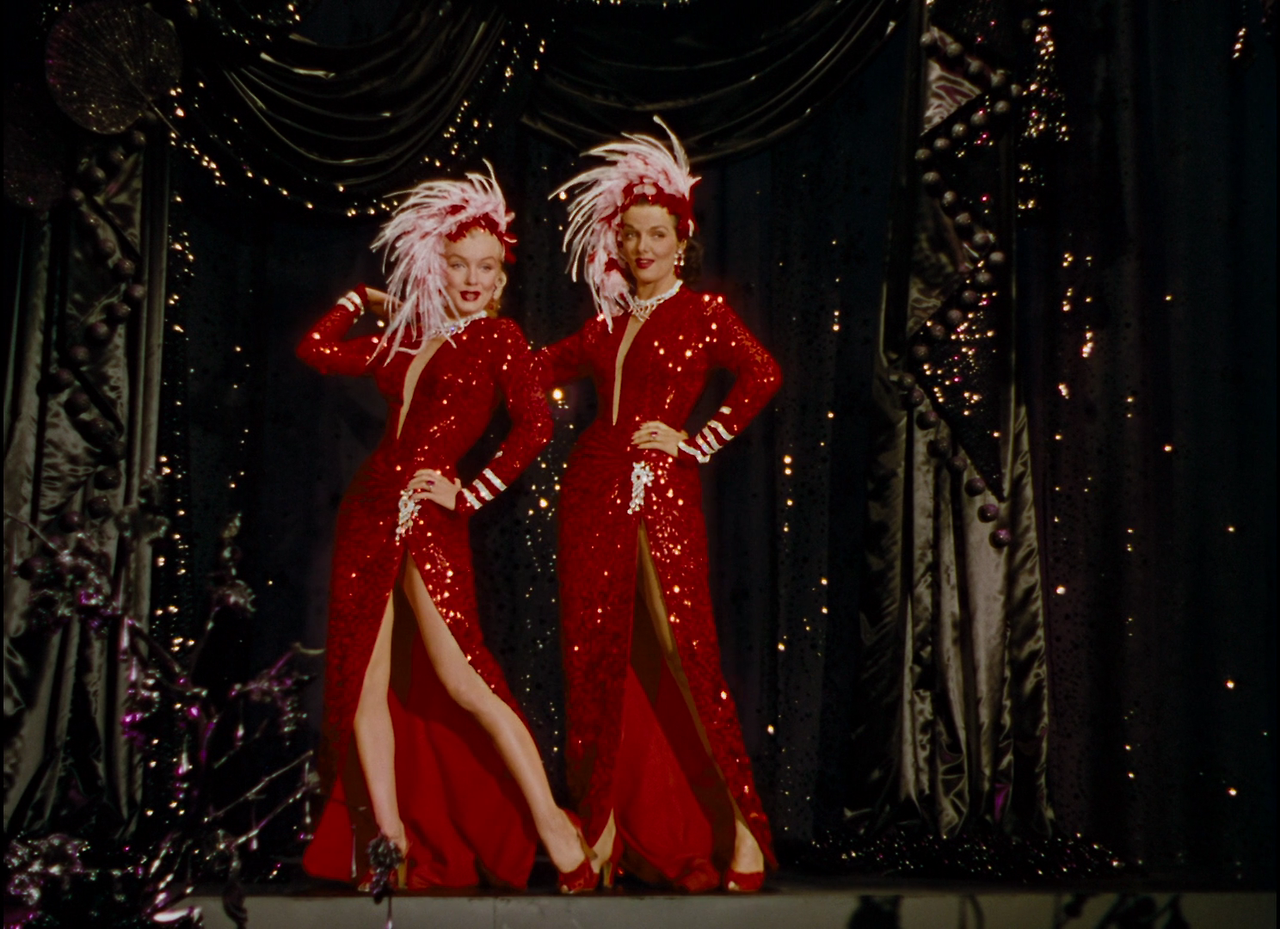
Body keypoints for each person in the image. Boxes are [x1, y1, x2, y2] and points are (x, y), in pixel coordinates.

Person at [298, 166, 594, 892]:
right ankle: (389, 844)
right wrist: (363, 298)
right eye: (458, 264)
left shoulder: (500, 339)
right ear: (438, 266)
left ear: (500, 278)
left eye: (485, 268)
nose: (471, 279)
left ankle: (555, 826)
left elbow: (535, 425)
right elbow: (316, 349)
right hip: (369, 510)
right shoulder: (406, 338)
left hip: (431, 519)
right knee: (361, 683)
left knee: (466, 680)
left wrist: (472, 491)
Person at [538, 120, 781, 891]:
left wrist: (697, 441)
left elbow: (763, 374)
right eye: (632, 234)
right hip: (592, 490)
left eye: (657, 234)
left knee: (683, 651)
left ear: (682, 241)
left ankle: (743, 828)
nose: (642, 246)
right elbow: (530, 369)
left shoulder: (704, 313)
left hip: (660, 489)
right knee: (597, 659)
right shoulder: (605, 324)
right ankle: (602, 827)